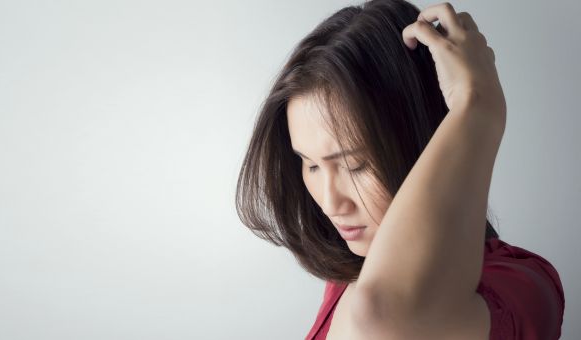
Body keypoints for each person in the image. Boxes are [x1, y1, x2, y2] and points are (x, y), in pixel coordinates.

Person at [235, 0, 565, 339]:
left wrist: (478, 107)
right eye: (312, 165)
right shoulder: (353, 273)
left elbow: (379, 315)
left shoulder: (521, 288)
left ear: (425, 140)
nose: (332, 204)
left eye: (354, 165)